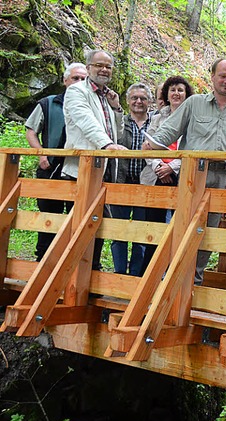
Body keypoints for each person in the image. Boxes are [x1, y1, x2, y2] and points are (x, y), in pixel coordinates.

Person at [144, 58, 226, 285]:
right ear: (212, 77)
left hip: (221, 178)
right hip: (192, 175)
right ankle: (170, 280)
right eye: (222, 75)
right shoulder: (194, 103)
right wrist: (151, 145)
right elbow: (170, 130)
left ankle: (194, 283)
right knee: (183, 228)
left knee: (207, 234)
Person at [62, 49, 127, 270]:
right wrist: (107, 145)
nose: (104, 69)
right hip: (84, 167)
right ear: (88, 67)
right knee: (80, 222)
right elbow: (86, 121)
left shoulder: (106, 96)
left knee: (98, 222)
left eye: (108, 66)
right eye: (99, 65)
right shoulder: (77, 92)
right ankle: (73, 274)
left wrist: (117, 107)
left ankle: (92, 269)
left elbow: (117, 130)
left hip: (106, 167)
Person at [25, 62, 87, 261]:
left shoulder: (90, 105)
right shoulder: (48, 103)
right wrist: (41, 154)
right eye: (75, 78)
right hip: (50, 168)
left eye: (83, 79)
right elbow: (31, 131)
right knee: (48, 217)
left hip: (77, 170)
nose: (79, 82)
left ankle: (69, 262)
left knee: (74, 217)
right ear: (65, 80)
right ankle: (42, 260)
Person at [140, 75, 194, 271]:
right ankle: (150, 271)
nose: (176, 93)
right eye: (173, 90)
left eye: (180, 89)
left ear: (187, 94)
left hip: (181, 174)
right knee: (153, 225)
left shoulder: (193, 117)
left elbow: (194, 147)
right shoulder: (157, 117)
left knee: (179, 224)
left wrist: (172, 167)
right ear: (167, 94)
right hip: (156, 176)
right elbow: (147, 145)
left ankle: (174, 269)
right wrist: (158, 166)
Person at [110, 83, 153, 277]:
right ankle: (119, 273)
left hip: (146, 185)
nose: (138, 102)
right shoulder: (120, 121)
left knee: (141, 232)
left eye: (143, 98)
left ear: (149, 102)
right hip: (121, 182)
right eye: (134, 98)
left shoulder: (155, 122)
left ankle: (135, 275)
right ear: (128, 101)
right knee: (118, 231)